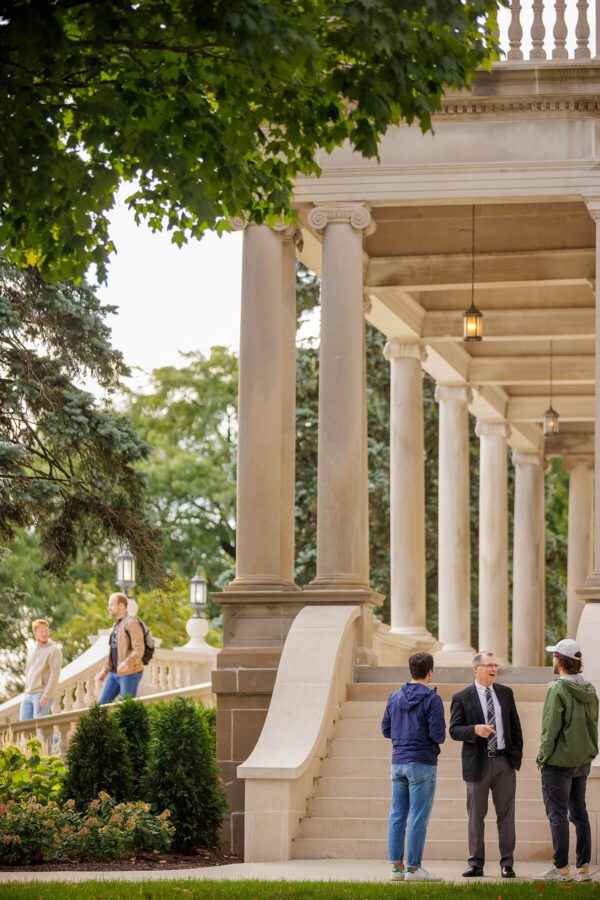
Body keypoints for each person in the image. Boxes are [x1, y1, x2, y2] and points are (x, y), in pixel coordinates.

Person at [449, 650, 523, 879]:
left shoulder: (505, 693)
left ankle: (507, 863)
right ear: (476, 668)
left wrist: (515, 758)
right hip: (477, 764)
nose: (494, 669)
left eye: (496, 665)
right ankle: (475, 863)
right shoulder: (462, 697)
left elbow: (515, 728)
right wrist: (474, 730)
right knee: (475, 816)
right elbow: (453, 730)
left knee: (506, 815)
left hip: (503, 763)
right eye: (489, 665)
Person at [535, 639, 599, 883]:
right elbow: (593, 724)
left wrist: (542, 757)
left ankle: (561, 868)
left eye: (554, 656)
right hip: (582, 760)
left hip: (559, 762)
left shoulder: (557, 689)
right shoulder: (590, 689)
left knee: (558, 814)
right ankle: (583, 867)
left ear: (560, 660)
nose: (552, 659)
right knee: (579, 812)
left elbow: (550, 729)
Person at [381, 650, 446, 883]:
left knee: (397, 815)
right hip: (422, 762)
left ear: (411, 671)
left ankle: (396, 868)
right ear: (430, 673)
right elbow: (438, 735)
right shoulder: (432, 699)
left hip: (398, 761)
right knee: (418, 817)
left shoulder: (394, 697)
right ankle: (413, 869)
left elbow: (385, 729)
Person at [98, 592, 145, 704]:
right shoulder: (116, 625)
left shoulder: (131, 622)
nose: (108, 608)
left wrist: (127, 663)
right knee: (101, 706)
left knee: (126, 709)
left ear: (121, 606)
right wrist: (105, 670)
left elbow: (139, 648)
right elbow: (113, 651)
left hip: (129, 674)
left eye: (111, 605)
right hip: (114, 674)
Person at [20, 619, 62, 720]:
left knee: (41, 729)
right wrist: (26, 689)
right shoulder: (31, 649)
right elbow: (28, 671)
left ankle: (53, 737)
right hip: (28, 694)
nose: (44, 633)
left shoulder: (54, 650)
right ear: (35, 633)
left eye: (46, 631)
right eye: (41, 631)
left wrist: (46, 695)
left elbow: (54, 675)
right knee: (24, 727)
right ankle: (54, 737)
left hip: (41, 694)